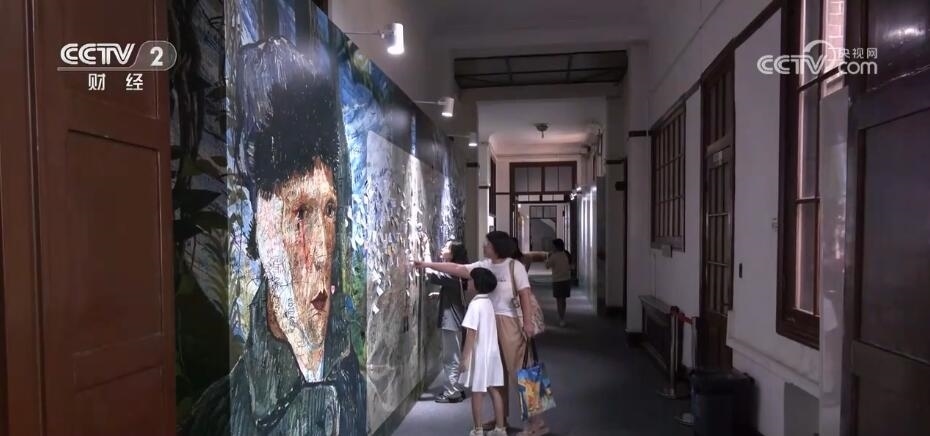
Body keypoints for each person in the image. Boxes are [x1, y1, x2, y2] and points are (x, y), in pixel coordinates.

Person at [182, 36, 364, 436]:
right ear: (256, 220)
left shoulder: (353, 381)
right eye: (299, 213)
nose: (322, 252)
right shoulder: (222, 415)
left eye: (329, 211)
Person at [415, 231, 549, 436]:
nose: (484, 246)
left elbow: (525, 294)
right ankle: (500, 419)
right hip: (490, 323)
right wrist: (427, 264)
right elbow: (458, 269)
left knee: (524, 371)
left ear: (497, 247)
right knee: (496, 373)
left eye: (487, 244)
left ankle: (538, 423)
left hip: (512, 323)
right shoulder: (485, 265)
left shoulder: (515, 266)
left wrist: (528, 323)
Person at [460, 268, 508, 436]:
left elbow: (471, 334)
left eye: (470, 280)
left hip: (480, 355)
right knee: (495, 390)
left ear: (477, 283)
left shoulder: (475, 305)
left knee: (477, 392)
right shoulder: (488, 303)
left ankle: (478, 429)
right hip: (492, 353)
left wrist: (465, 358)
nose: (468, 283)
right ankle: (500, 428)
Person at [426, 240, 470, 403]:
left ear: (453, 254)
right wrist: (440, 295)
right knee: (454, 355)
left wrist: (425, 253)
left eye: (446, 247)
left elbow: (431, 274)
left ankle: (452, 393)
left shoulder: (454, 273)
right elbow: (454, 291)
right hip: (456, 319)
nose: (442, 248)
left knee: (450, 357)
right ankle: (455, 387)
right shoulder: (459, 271)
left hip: (452, 321)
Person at [546, 239, 573, 327]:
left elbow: (547, 266)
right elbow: (571, 266)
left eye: (553, 246)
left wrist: (549, 256)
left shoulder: (553, 256)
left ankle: (561, 318)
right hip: (566, 280)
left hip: (557, 281)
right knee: (563, 300)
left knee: (559, 300)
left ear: (555, 246)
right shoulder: (566, 254)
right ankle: (562, 316)